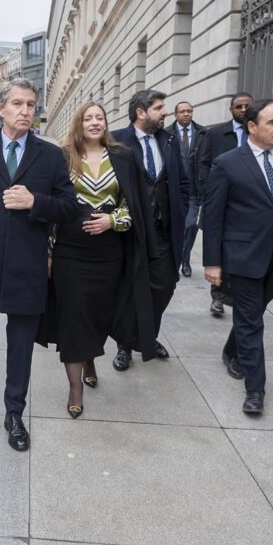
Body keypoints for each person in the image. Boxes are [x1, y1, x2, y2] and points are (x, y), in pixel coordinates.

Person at [0, 77, 80, 451]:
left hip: (28, 269)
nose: (26, 111)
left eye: (31, 105)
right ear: (1, 108)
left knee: (21, 349)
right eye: (18, 104)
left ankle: (14, 414)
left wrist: (35, 202)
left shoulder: (50, 155)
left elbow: (70, 208)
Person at [40, 102, 153, 417]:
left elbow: (139, 206)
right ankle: (75, 389)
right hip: (69, 252)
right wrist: (48, 254)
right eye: (87, 118)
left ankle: (90, 355)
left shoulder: (123, 157)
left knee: (99, 315)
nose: (94, 122)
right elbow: (52, 211)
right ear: (78, 123)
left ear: (106, 123)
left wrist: (112, 221)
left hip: (109, 254)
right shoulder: (63, 158)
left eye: (99, 118)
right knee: (73, 317)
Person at [201, 98, 273, 415]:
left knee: (253, 314)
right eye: (272, 122)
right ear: (252, 126)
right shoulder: (228, 163)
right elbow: (213, 218)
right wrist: (212, 262)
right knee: (251, 322)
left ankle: (231, 349)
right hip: (243, 258)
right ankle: (255, 390)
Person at [110, 89, 186, 369]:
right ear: (141, 112)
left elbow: (182, 181)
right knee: (130, 288)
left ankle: (147, 336)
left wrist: (183, 211)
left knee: (165, 285)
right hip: (130, 230)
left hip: (163, 229)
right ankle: (125, 345)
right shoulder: (117, 140)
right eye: (158, 108)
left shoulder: (169, 140)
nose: (164, 112)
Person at [196, 92, 253, 317]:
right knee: (219, 248)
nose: (242, 110)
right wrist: (208, 191)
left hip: (249, 203)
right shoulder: (216, 133)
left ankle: (239, 294)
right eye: (238, 106)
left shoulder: (258, 133)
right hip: (222, 201)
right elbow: (203, 163)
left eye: (246, 106)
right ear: (231, 109)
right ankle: (218, 297)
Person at [169, 101, 205, 277]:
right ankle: (174, 258)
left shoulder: (202, 133)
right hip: (172, 190)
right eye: (182, 111)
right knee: (174, 226)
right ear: (175, 114)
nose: (186, 114)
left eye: (189, 111)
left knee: (190, 225)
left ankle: (185, 259)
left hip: (193, 190)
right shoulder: (166, 134)